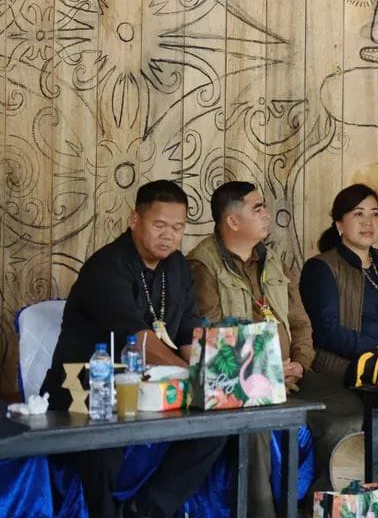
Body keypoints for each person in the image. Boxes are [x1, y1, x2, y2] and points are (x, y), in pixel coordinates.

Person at [40, 180, 226, 518]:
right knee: (105, 442)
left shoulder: (178, 267)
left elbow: (188, 333)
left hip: (153, 387)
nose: (169, 235)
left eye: (178, 227)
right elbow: (137, 340)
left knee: (217, 427)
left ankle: (145, 511)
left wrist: (209, 377)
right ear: (134, 220)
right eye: (159, 225)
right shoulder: (106, 267)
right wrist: (191, 375)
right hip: (87, 388)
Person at [188, 181, 315, 516]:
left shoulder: (272, 260)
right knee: (257, 427)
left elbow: (300, 323)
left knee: (344, 414)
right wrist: (268, 372)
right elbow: (214, 339)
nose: (266, 214)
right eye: (257, 208)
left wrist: (300, 363)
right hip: (241, 385)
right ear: (232, 221)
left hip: (291, 376)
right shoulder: (203, 265)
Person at [298, 183, 378, 487]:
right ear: (339, 224)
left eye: (375, 214)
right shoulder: (322, 267)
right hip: (350, 366)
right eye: (358, 214)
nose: (368, 222)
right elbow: (327, 332)